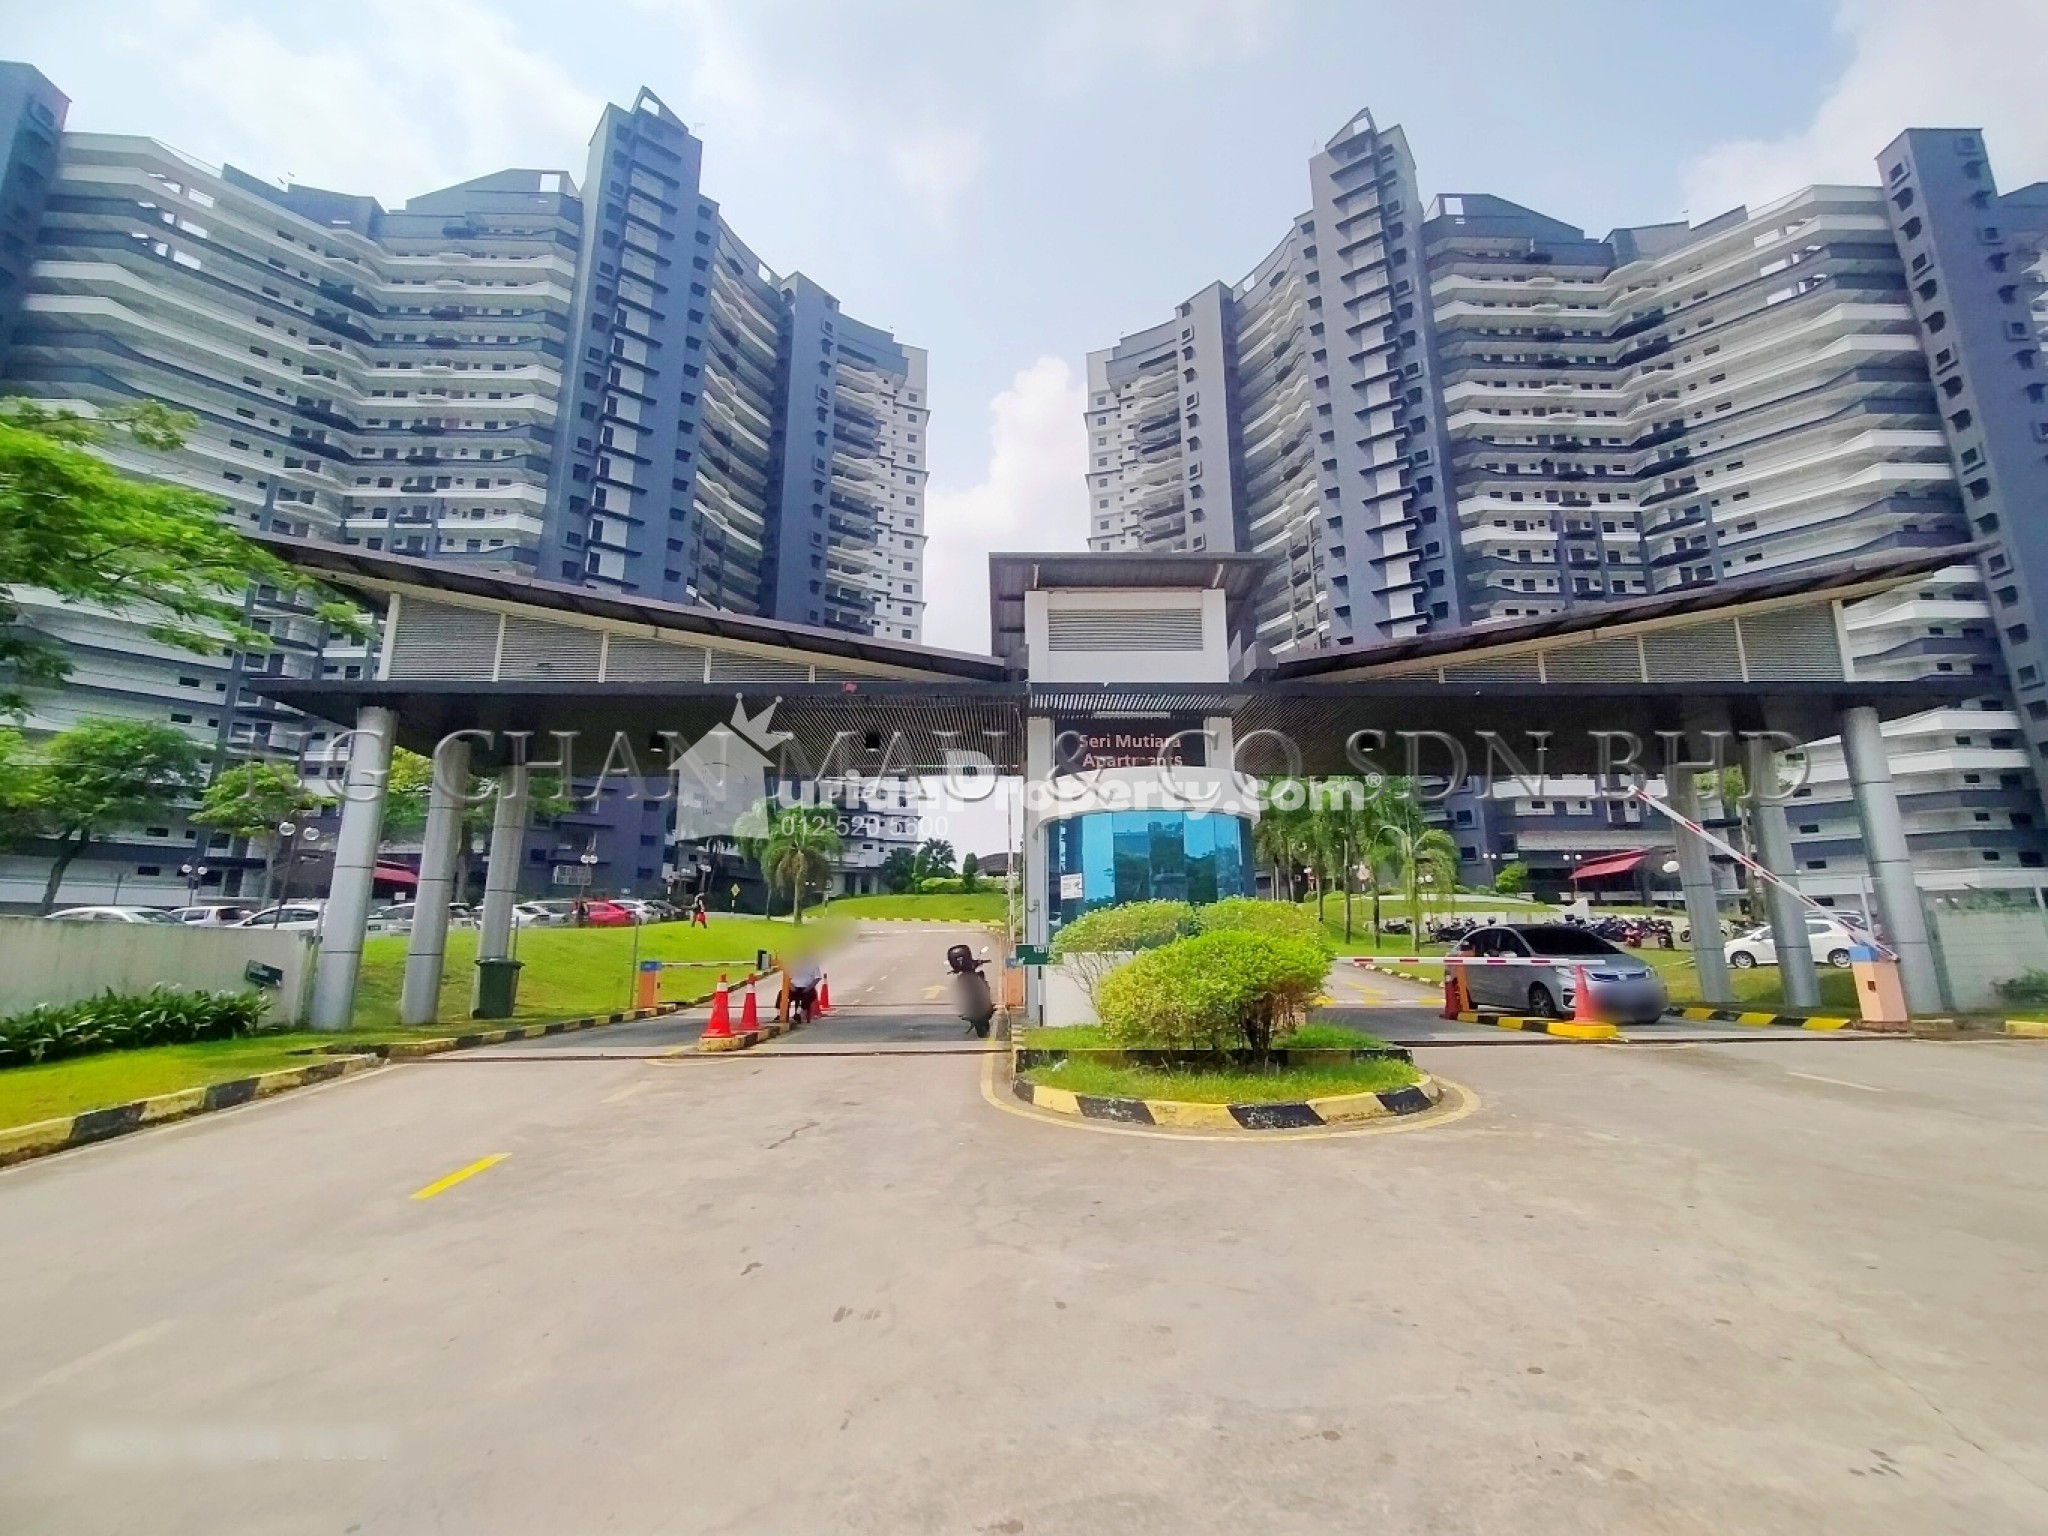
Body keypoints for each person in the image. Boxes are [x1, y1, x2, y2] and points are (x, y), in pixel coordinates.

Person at [787, 956, 822, 1023]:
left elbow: (817, 978)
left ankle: (798, 1012)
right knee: (782, 994)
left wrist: (808, 988)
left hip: (807, 988)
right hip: (794, 988)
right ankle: (779, 1014)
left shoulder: (813, 964)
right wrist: (791, 986)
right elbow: (787, 978)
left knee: (811, 995)